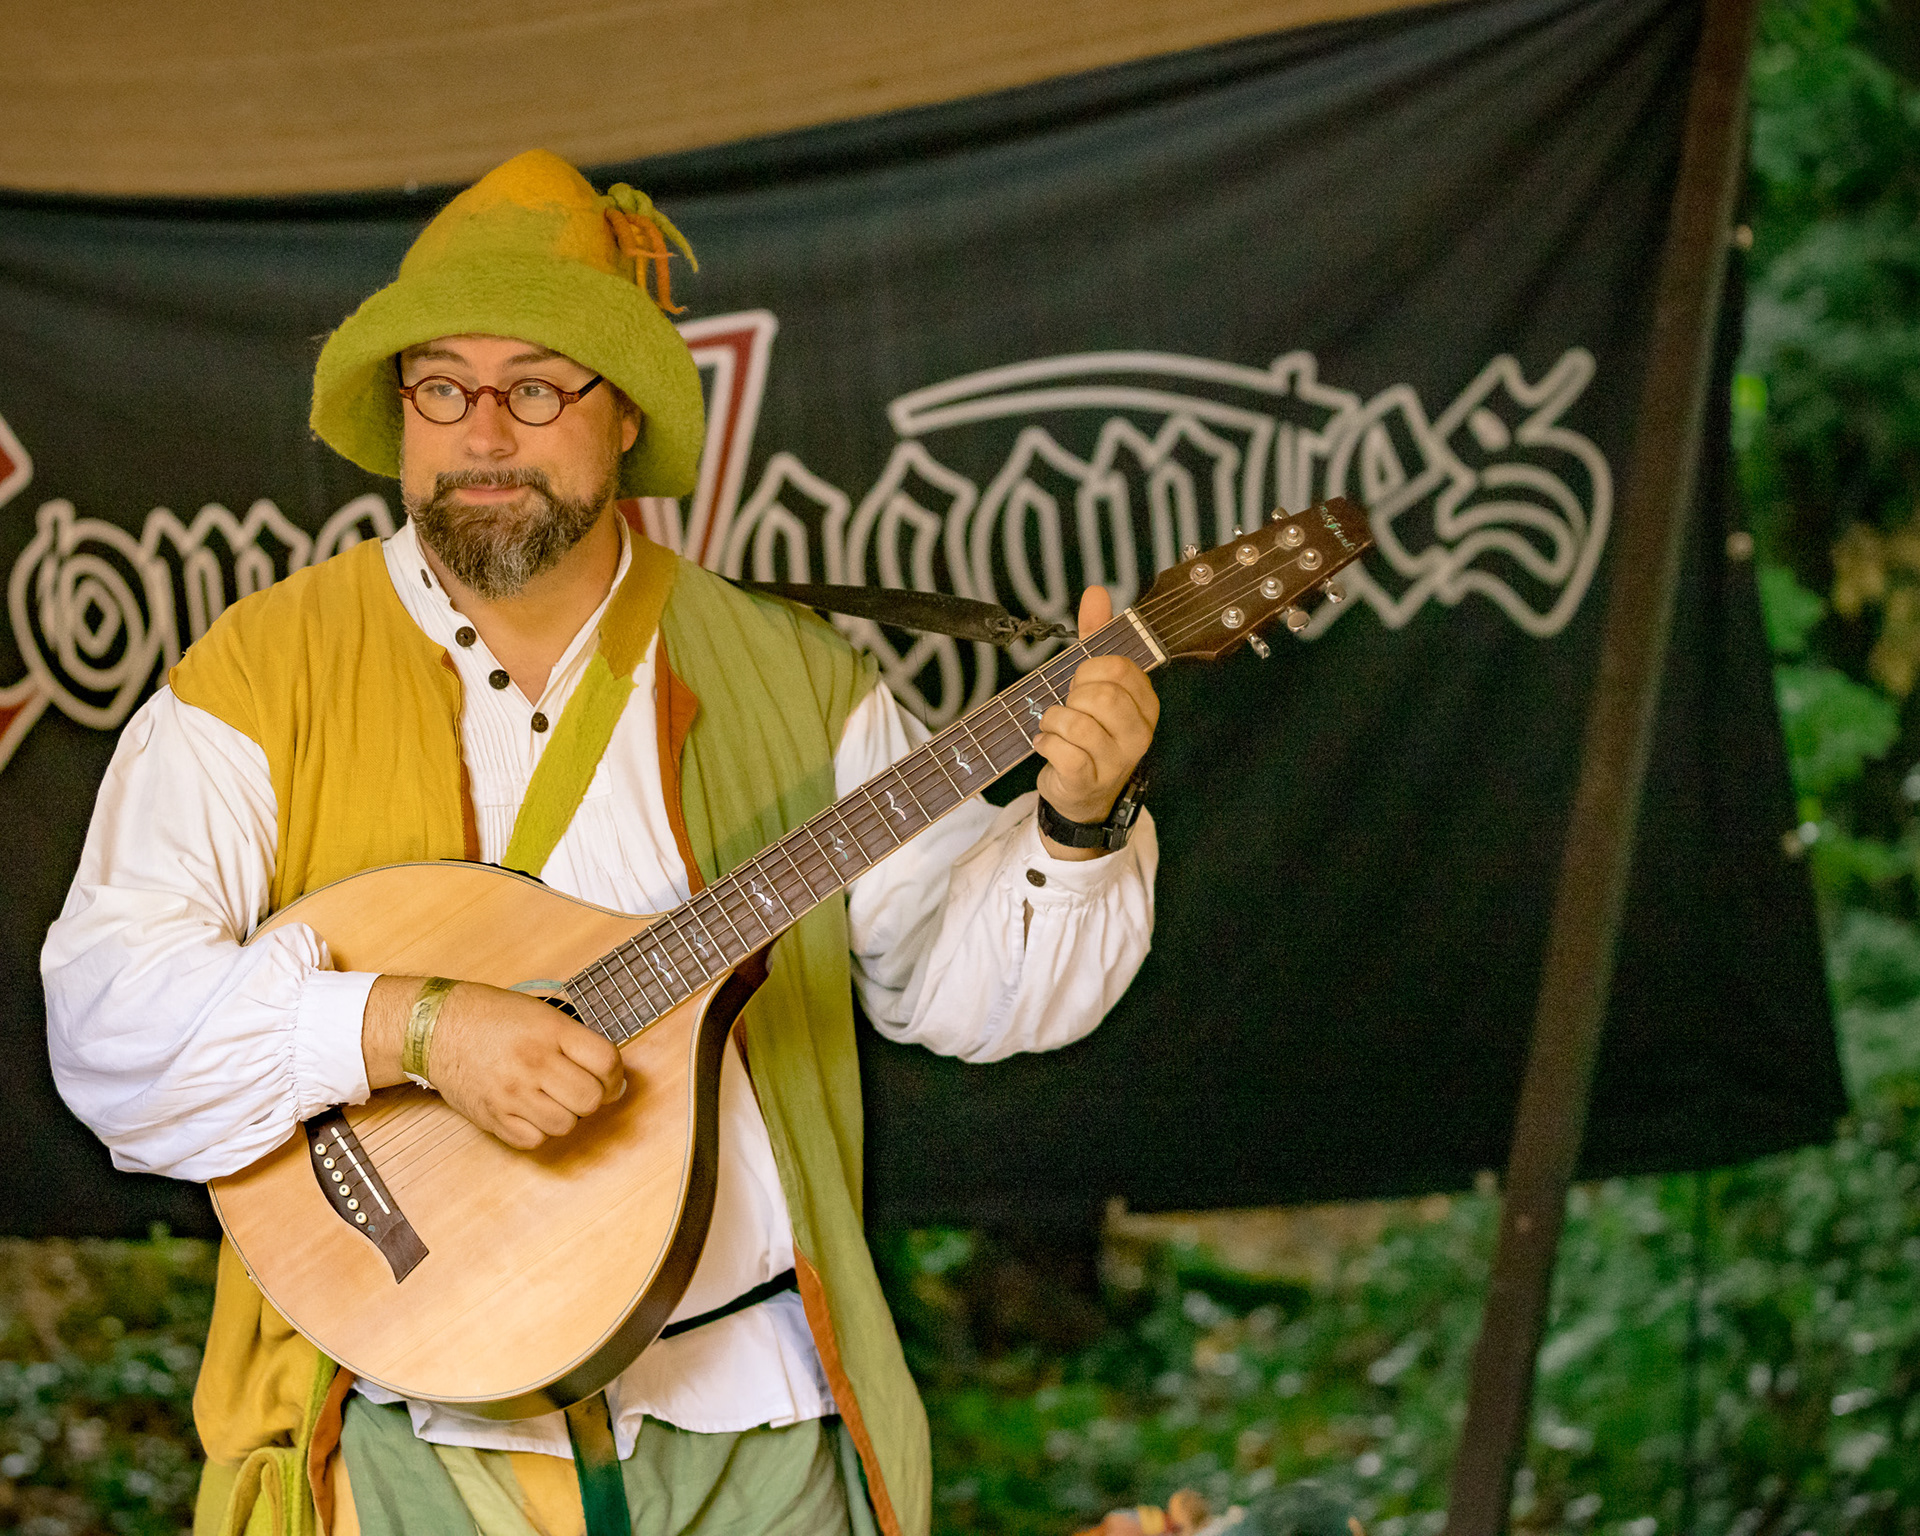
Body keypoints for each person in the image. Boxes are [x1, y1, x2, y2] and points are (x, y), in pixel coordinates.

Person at [43, 150, 1159, 1536]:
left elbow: (961, 985)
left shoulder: (790, 674)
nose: (483, 433)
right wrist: (411, 1027)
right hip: (405, 1440)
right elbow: (106, 1020)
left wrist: (1080, 819)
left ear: (622, 409)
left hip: (755, 1430)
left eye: (536, 387)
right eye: (440, 388)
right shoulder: (263, 675)